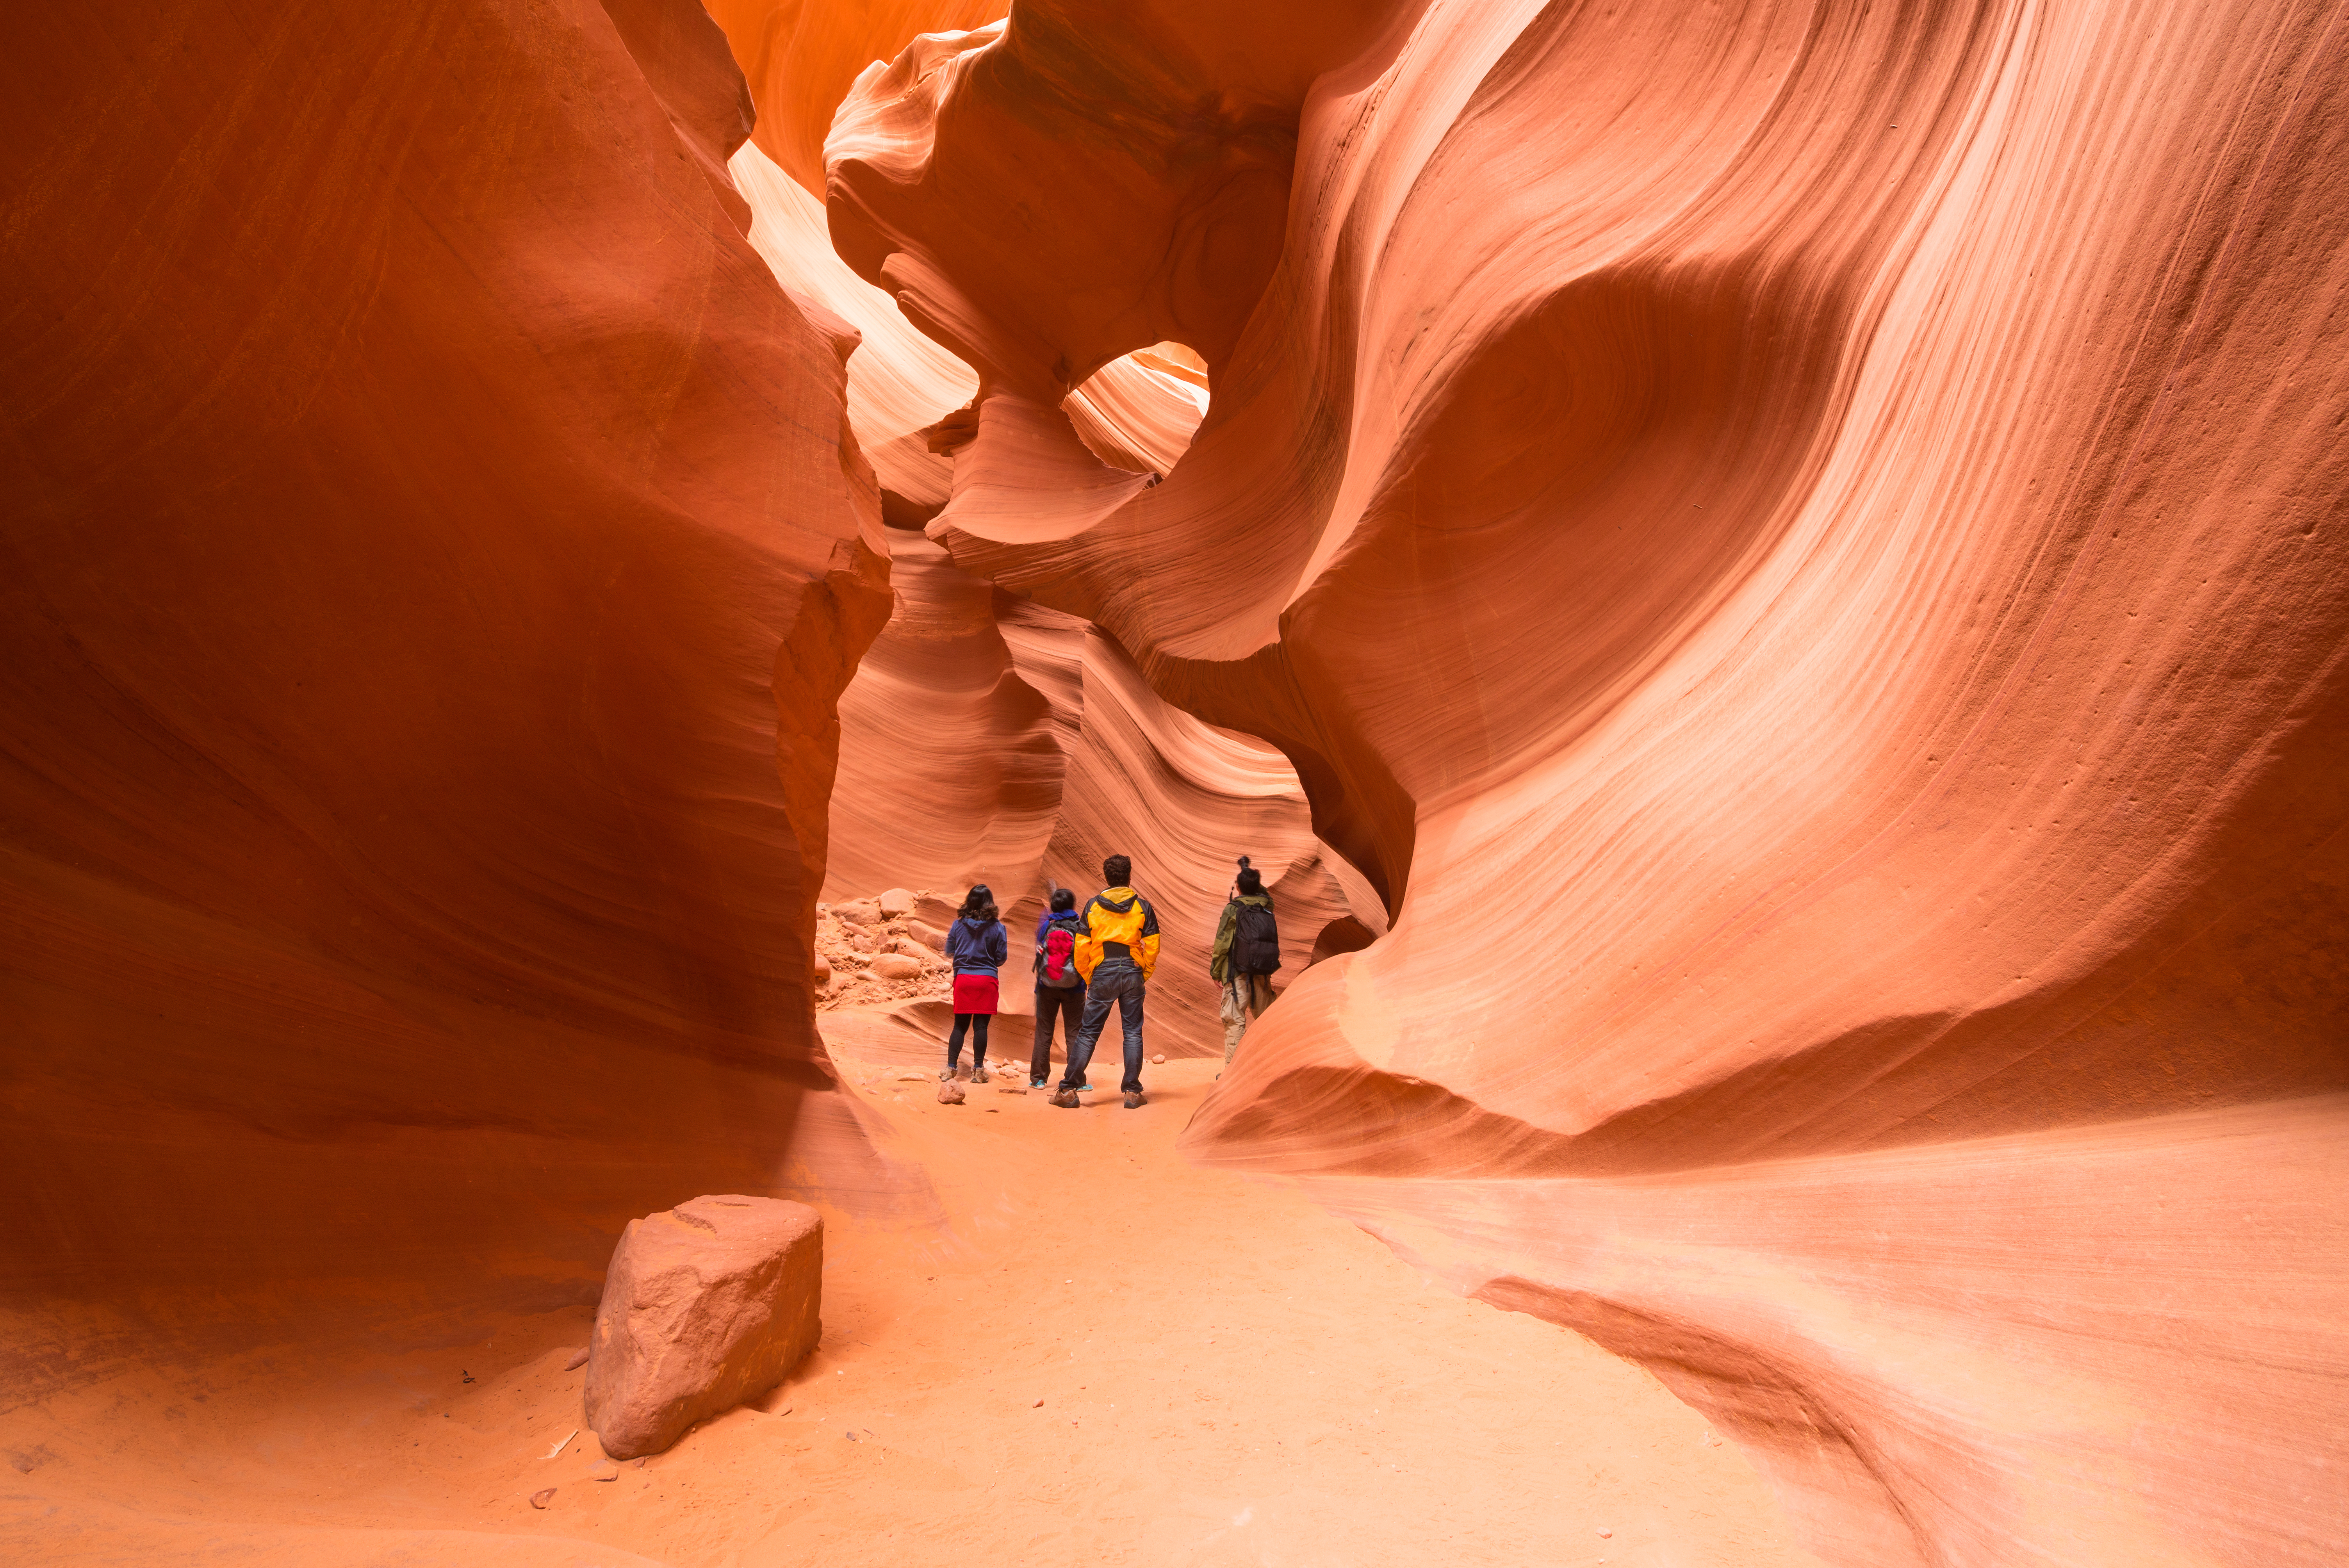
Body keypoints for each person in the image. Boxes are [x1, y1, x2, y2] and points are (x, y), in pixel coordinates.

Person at [1052, 854, 1159, 1110]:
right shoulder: (1142, 907)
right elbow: (1153, 945)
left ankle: (1068, 1090)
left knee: (1089, 1032)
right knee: (1133, 1032)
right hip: (1132, 969)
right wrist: (1144, 971)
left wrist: (1091, 975)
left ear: (1107, 877)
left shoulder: (1093, 907)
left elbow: (1081, 949)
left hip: (1103, 970)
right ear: (1129, 876)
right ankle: (1132, 1093)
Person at [1210, 857, 1281, 1071]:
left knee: (1234, 1021)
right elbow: (1263, 892)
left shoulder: (1233, 909)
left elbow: (1222, 943)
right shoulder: (1267, 905)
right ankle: (1271, 1065)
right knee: (1267, 1017)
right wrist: (1248, 873)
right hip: (1262, 970)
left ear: (1238, 887)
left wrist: (1216, 972)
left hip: (1237, 972)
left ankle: (1234, 1073)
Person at [942, 884, 1007, 1082]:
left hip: (963, 979)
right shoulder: (998, 927)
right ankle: (978, 1071)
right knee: (981, 1027)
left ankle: (950, 1069)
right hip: (987, 980)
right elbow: (1002, 957)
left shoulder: (957, 925)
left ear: (969, 901)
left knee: (959, 1026)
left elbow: (949, 950)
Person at [1029, 886, 1087, 1089]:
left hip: (1046, 986)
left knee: (1044, 1031)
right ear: (1073, 905)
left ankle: (1038, 1079)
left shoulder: (1047, 925)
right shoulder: (1080, 927)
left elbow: (1039, 946)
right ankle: (1076, 1081)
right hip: (1075, 986)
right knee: (1074, 1033)